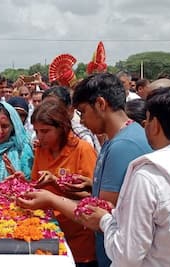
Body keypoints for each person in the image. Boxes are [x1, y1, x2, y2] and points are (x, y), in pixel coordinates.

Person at [17, 73, 152, 267]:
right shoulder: (118, 139)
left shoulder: (123, 145)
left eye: (82, 112)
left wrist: (52, 199)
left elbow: (101, 214)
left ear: (100, 104)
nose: (81, 121)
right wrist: (90, 185)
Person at [83, 86, 170, 267]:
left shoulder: (148, 175)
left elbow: (127, 255)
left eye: (146, 121)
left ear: (155, 125)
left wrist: (105, 220)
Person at [28, 99, 98, 266]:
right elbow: (35, 183)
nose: (40, 137)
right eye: (37, 131)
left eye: (45, 131)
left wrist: (56, 183)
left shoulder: (83, 149)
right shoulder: (40, 150)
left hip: (79, 239)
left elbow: (92, 196)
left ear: (62, 128)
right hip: (49, 235)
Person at [43, 86, 101, 153]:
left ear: (70, 109)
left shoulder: (82, 136)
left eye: (54, 108)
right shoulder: (40, 137)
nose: (49, 112)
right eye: (45, 107)